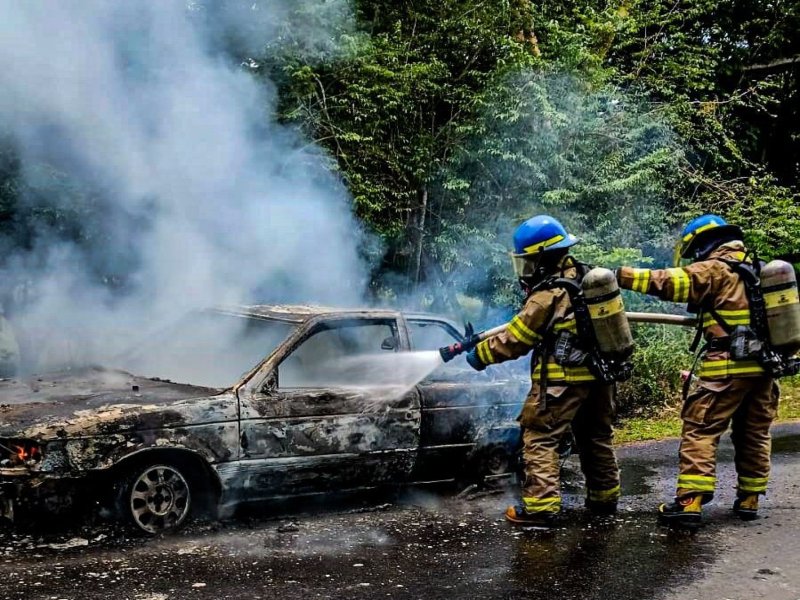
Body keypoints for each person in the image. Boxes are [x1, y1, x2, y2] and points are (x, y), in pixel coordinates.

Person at [617, 214, 778, 527]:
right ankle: (749, 499)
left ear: (705, 244)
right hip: (764, 368)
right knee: (754, 433)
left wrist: (617, 275)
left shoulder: (715, 269)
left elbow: (665, 282)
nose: (696, 258)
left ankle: (689, 502)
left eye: (696, 251)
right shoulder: (758, 270)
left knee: (700, 430)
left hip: (726, 368)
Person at [465, 215, 620, 527]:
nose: (526, 268)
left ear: (542, 257)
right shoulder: (586, 278)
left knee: (539, 436)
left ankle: (540, 508)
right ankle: (604, 499)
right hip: (601, 378)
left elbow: (516, 340)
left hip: (562, 382)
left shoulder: (548, 294)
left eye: (529, 261)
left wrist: (479, 355)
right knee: (595, 436)